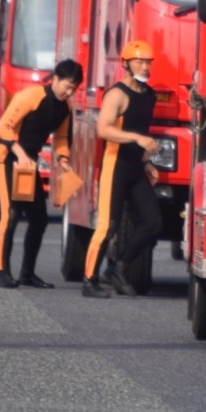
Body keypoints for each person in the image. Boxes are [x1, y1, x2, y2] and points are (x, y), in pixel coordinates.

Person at [82, 39, 162, 298]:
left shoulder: (149, 95)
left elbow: (141, 129)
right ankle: (89, 279)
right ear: (126, 63)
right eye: (139, 61)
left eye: (148, 61)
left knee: (152, 222)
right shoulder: (116, 94)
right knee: (107, 226)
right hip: (114, 165)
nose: (145, 66)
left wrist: (146, 162)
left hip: (135, 168)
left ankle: (119, 267)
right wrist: (138, 140)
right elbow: (103, 129)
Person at [0, 59, 83, 288]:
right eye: (68, 85)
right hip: (7, 158)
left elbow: (62, 137)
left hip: (28, 164)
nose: (69, 91)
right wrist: (19, 152)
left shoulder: (65, 107)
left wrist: (63, 159)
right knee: (11, 216)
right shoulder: (31, 96)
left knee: (39, 219)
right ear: (55, 78)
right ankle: (3, 272)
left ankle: (27, 273)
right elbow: (3, 127)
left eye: (74, 88)